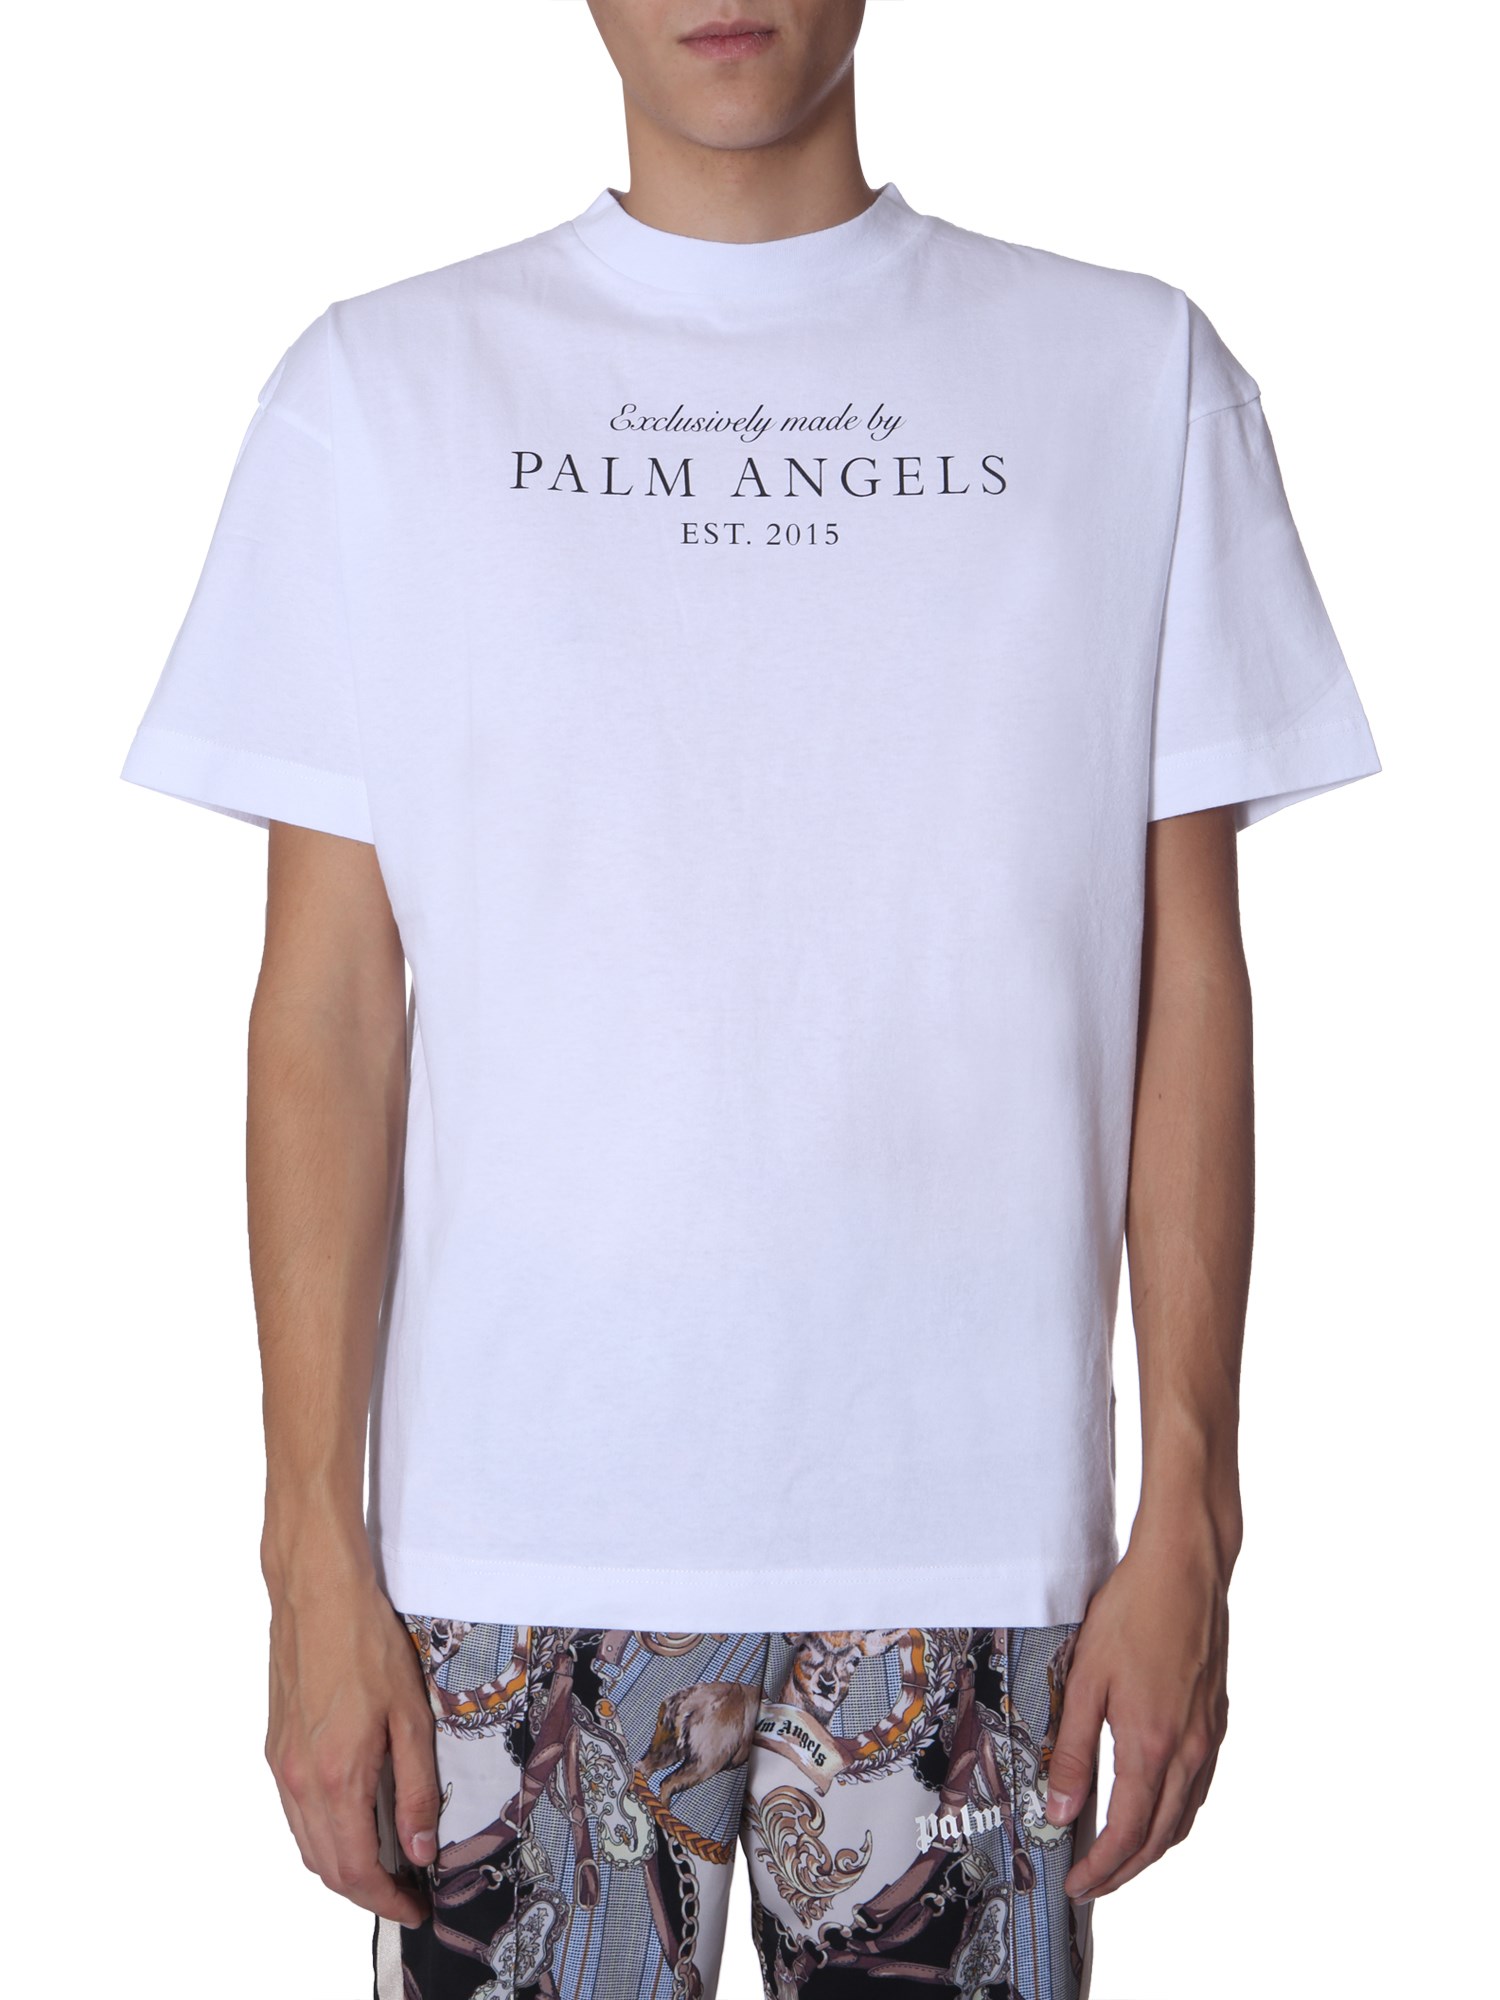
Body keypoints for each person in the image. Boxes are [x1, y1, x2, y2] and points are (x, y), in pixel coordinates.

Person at [120, 5, 1382, 1997]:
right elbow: (330, 1013)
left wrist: (1194, 1517)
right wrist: (306, 1553)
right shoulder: (381, 391)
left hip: (973, 1556)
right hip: (505, 1559)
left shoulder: (1131, 381)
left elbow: (1190, 987)